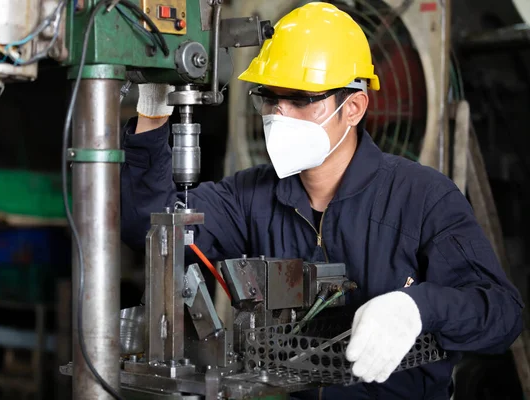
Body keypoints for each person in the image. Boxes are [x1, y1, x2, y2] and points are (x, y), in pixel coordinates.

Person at [120, 2, 523, 399]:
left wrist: (418, 308)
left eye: (299, 99)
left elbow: (503, 314)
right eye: (270, 98)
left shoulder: (421, 198)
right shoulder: (249, 196)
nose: (280, 115)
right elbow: (152, 231)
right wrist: (153, 114)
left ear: (353, 108)